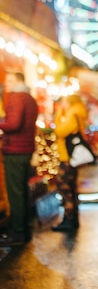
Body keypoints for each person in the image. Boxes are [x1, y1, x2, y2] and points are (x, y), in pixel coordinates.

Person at [0, 71, 38, 246]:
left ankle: (18, 232)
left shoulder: (16, 98)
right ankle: (24, 228)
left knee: (15, 192)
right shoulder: (30, 98)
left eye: (9, 80)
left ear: (18, 81)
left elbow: (14, 124)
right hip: (25, 148)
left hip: (15, 150)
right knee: (21, 190)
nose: (6, 83)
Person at [52, 94, 88, 232]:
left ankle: (69, 219)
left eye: (65, 102)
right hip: (69, 157)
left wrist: (58, 114)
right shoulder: (77, 112)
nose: (63, 104)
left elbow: (60, 131)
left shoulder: (73, 114)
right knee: (71, 188)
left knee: (64, 187)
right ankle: (73, 219)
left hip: (67, 157)